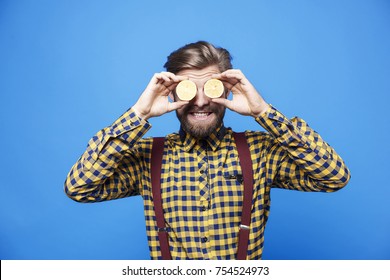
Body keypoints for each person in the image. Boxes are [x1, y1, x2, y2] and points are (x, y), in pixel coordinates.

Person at [64, 41, 351, 260]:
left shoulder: (259, 151)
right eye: (189, 88)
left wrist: (262, 111)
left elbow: (334, 177)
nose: (200, 101)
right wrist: (139, 113)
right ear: (172, 92)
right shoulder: (147, 156)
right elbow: (79, 188)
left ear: (226, 90)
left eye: (211, 88)